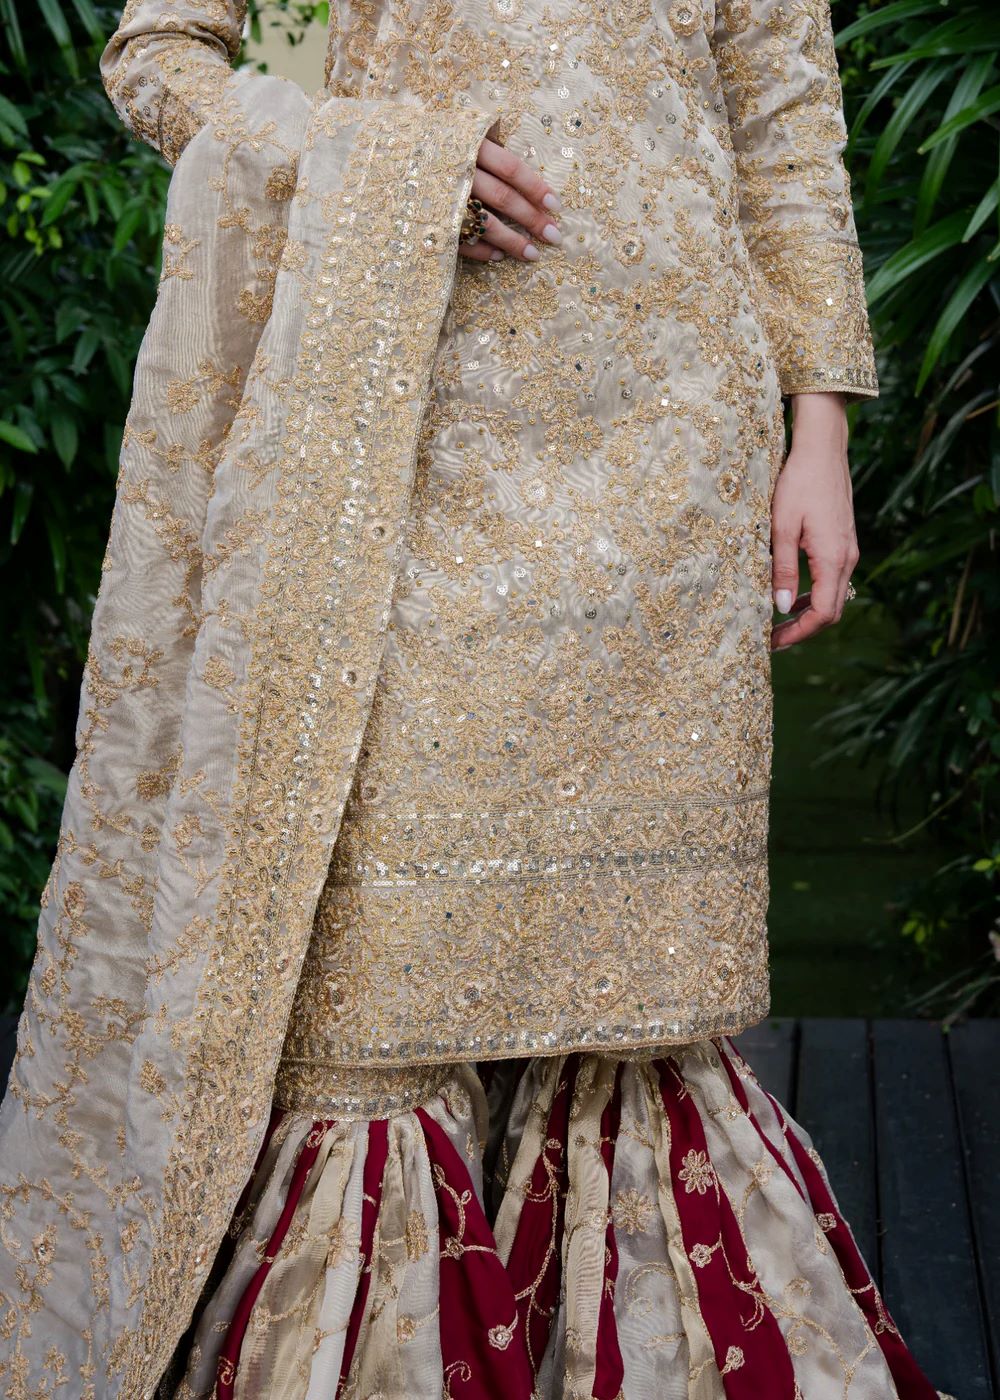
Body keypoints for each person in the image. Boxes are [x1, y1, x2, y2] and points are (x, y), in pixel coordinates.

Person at [0, 1, 952, 1396]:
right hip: (409, 438)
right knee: (374, 1002)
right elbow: (158, 56)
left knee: (634, 1010)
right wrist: (378, 163)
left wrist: (821, 434)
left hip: (676, 445)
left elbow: (785, 120)